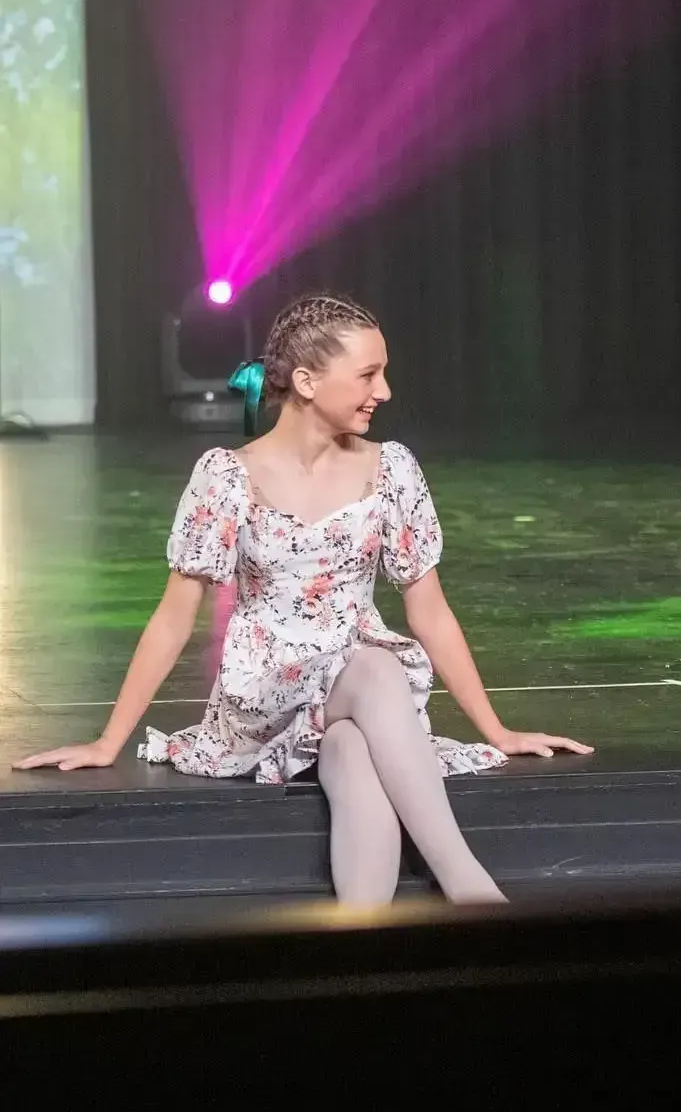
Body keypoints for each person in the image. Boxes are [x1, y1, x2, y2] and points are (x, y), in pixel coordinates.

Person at [14, 291, 593, 903]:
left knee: (351, 748)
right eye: (369, 374)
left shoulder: (391, 470)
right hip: (266, 693)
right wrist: (109, 741)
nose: (386, 391)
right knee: (374, 666)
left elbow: (431, 612)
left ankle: (362, 953)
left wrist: (496, 729)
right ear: (307, 382)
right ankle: (473, 891)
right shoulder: (227, 476)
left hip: (359, 697)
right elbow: (172, 620)